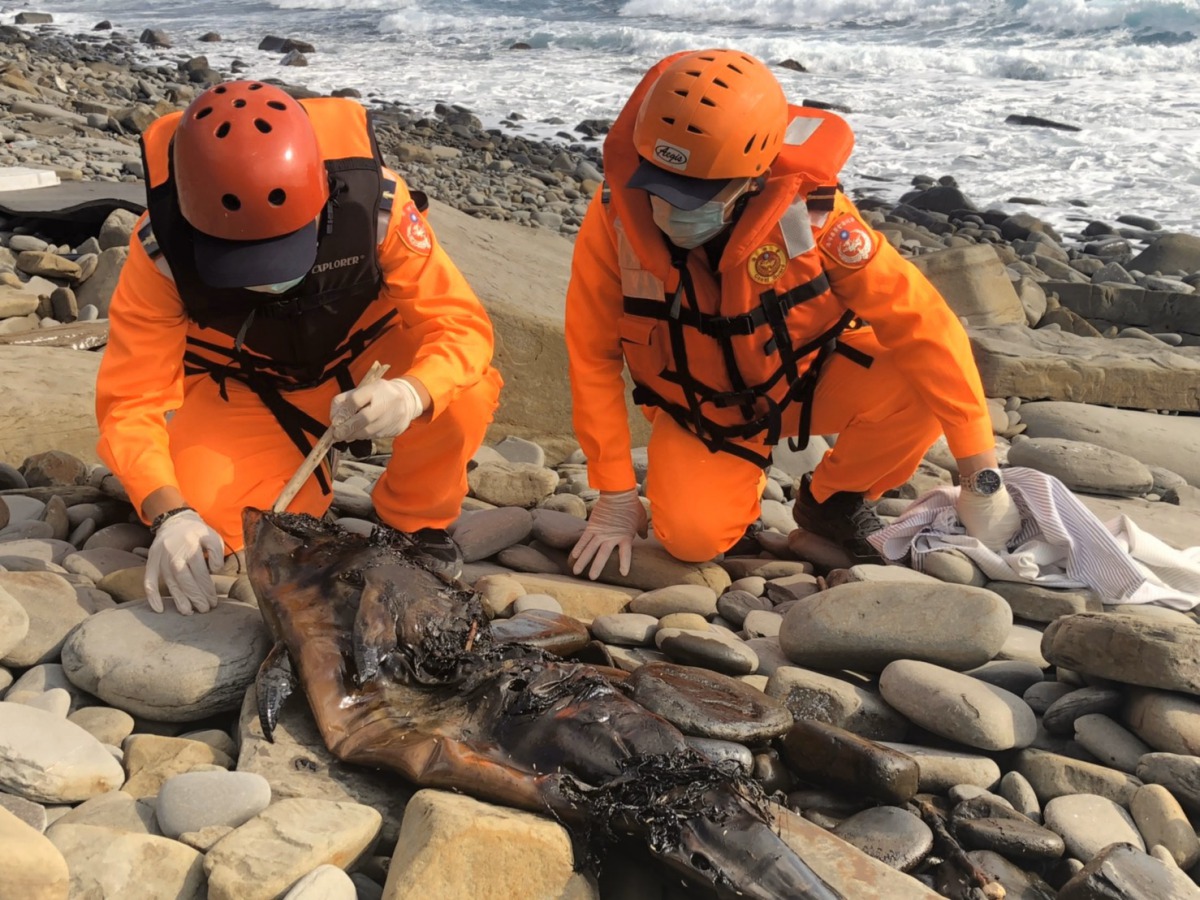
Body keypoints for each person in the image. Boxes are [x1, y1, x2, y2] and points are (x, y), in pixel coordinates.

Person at [565, 49, 1020, 580]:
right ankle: (735, 481)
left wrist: (980, 475)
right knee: (691, 539)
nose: (669, 211)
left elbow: (924, 324)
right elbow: (591, 355)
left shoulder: (817, 216)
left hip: (804, 380)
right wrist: (616, 492)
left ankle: (830, 501)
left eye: (696, 196)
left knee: (923, 385)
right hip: (700, 407)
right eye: (658, 186)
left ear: (753, 178)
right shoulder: (615, 217)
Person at [96, 81, 502, 614]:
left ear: (322, 200)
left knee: (463, 391)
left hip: (370, 365)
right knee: (219, 526)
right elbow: (130, 401)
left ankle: (412, 521)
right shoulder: (160, 251)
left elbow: (461, 326)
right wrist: (170, 513)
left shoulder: (374, 206)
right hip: (249, 385)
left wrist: (411, 392)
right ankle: (301, 473)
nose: (267, 278)